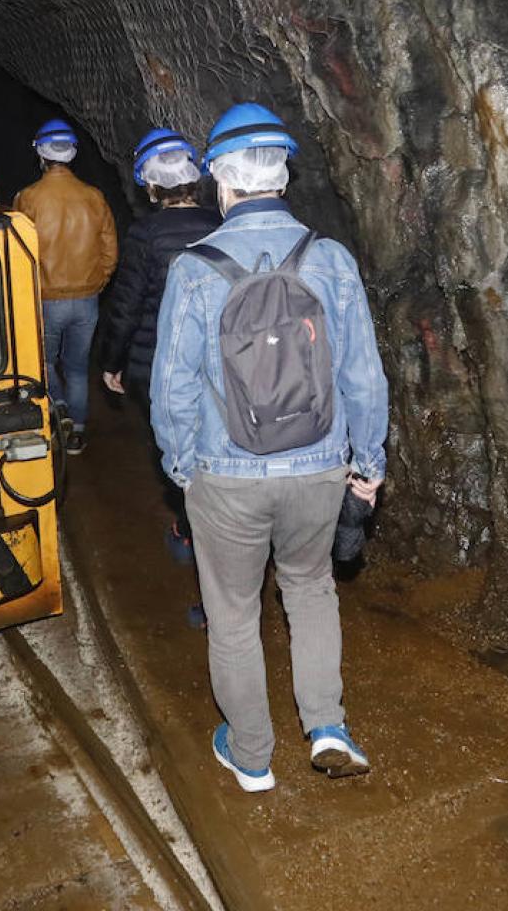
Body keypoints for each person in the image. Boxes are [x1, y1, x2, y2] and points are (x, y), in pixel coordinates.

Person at [150, 102, 389, 794]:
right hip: (318, 465)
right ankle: (328, 726)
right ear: (282, 175)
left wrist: (183, 468)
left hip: (227, 475)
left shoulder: (195, 269)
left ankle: (252, 754)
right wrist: (365, 464)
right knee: (311, 591)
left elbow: (173, 387)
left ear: (221, 182)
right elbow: (363, 375)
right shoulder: (331, 258)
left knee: (232, 611)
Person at [99, 128, 221, 628]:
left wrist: (112, 360)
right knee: (214, 461)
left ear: (150, 187)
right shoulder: (220, 224)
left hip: (158, 368)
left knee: (181, 461)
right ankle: (195, 532)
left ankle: (193, 537)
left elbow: (125, 307)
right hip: (215, 369)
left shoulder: (145, 237)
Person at [13, 118, 118, 456]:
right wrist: (97, 282)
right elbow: (110, 250)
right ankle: (78, 432)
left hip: (45, 297)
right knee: (76, 367)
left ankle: (57, 405)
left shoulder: (28, 198)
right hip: (87, 298)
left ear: (40, 154)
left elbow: (18, 251)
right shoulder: (94, 196)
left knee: (43, 363)